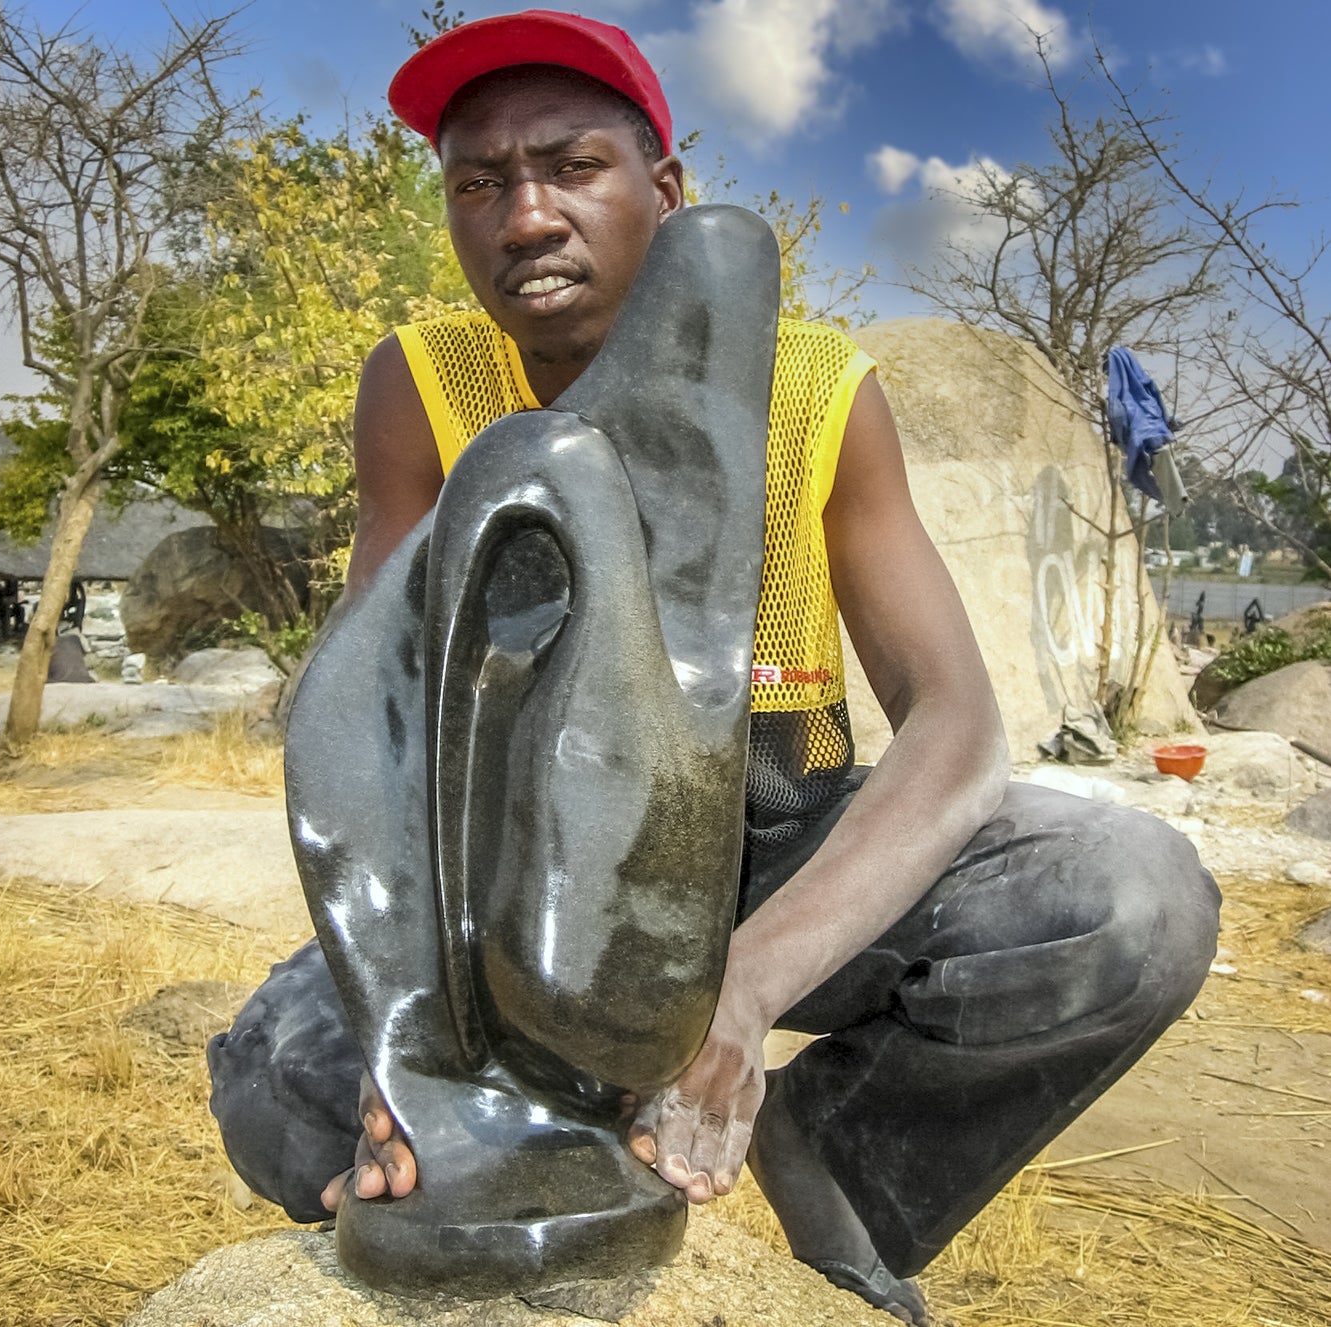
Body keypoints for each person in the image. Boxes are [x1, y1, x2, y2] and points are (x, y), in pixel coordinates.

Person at [208, 13, 1220, 1323]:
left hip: (775, 850)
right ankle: (522, 1150)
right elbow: (383, 730)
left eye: (573, 166)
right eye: (479, 182)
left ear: (665, 193)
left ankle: (815, 1185)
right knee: (271, 1072)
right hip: (525, 901)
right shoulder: (421, 387)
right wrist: (411, 1039)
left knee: (1130, 906)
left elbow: (957, 724)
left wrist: (741, 989)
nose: (526, 217)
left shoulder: (813, 389)